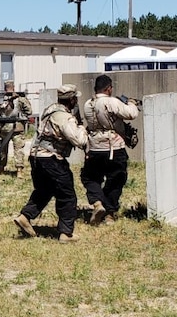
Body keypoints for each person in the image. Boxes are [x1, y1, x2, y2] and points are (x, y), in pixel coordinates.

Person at [13, 84, 88, 243]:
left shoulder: (51, 110)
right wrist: (81, 127)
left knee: (45, 190)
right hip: (51, 159)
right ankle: (66, 233)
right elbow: (79, 140)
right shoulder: (65, 117)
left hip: (36, 157)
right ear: (72, 99)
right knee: (67, 195)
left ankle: (25, 217)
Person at [81, 74, 140, 224]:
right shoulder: (111, 101)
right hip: (114, 147)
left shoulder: (88, 103)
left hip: (94, 147)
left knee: (90, 178)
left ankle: (98, 203)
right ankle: (110, 212)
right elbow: (131, 114)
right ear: (108, 88)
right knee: (116, 179)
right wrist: (131, 103)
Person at [0, 80, 32, 177]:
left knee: (18, 149)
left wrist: (21, 99)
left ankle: (19, 170)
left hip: (16, 127)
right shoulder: (2, 98)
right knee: (2, 150)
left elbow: (29, 111)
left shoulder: (20, 99)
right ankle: (1, 168)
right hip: (5, 127)